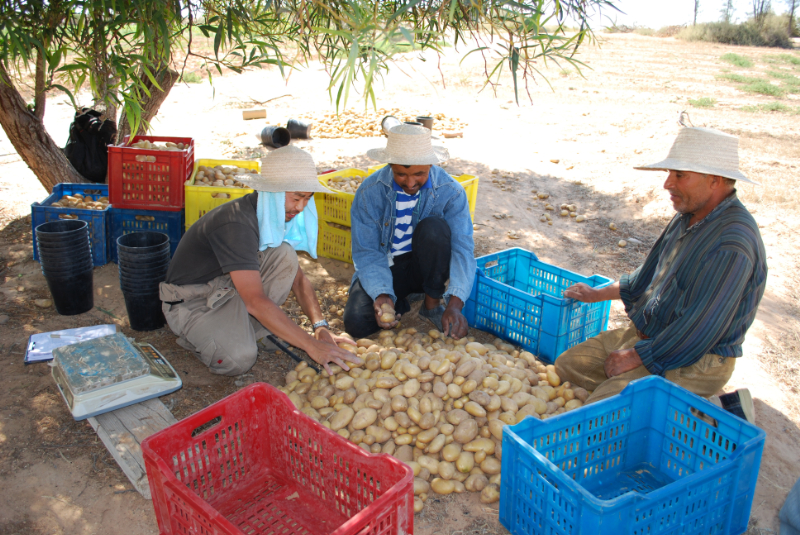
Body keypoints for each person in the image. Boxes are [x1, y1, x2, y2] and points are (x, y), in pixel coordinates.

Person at [554, 126, 767, 410]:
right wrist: (595, 294)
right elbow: (646, 279)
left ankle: (704, 411)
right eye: (669, 174)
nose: (667, 183)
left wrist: (635, 357)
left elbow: (700, 330)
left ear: (715, 180)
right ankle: (660, 402)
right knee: (567, 366)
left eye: (679, 175)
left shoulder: (732, 245)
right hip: (652, 336)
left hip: (696, 356)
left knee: (602, 414)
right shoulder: (688, 215)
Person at [159, 145, 361, 376]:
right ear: (273, 192)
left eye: (307, 198)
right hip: (192, 301)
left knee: (285, 255)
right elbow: (254, 300)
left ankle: (249, 327)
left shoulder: (268, 216)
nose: (300, 207)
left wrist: (320, 327)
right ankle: (200, 336)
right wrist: (311, 346)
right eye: (296, 198)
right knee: (239, 358)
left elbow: (298, 279)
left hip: (227, 288)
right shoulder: (237, 224)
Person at [343, 124, 476, 339]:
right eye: (401, 174)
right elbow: (367, 252)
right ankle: (398, 298)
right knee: (357, 323)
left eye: (419, 174)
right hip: (388, 267)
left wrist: (454, 305)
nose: (410, 182)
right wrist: (382, 294)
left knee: (434, 229)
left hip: (426, 266)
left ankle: (431, 303)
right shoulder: (370, 192)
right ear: (390, 165)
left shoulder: (450, 192)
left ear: (431, 165)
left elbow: (463, 249)